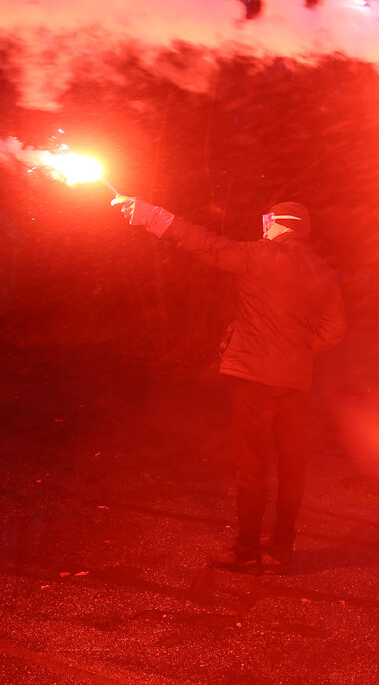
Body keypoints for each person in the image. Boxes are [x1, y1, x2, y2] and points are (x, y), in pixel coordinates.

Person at [113, 195, 344, 574]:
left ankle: (247, 551)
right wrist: (299, 352)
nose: (263, 226)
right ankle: (283, 546)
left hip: (256, 378)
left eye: (267, 220)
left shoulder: (258, 255)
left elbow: (205, 244)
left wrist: (152, 217)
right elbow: (335, 329)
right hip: (295, 381)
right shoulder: (322, 270)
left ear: (279, 224)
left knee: (252, 468)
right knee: (291, 466)